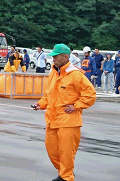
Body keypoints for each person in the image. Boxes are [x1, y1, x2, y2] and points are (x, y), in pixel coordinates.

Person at [33, 43, 96, 181]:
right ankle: (64, 173)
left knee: (66, 153)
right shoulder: (54, 73)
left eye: (56, 57)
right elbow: (49, 94)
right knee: (52, 150)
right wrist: (41, 104)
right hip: (52, 119)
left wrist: (77, 105)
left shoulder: (76, 75)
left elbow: (90, 95)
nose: (53, 59)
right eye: (53, 56)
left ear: (65, 57)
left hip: (69, 121)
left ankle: (66, 177)